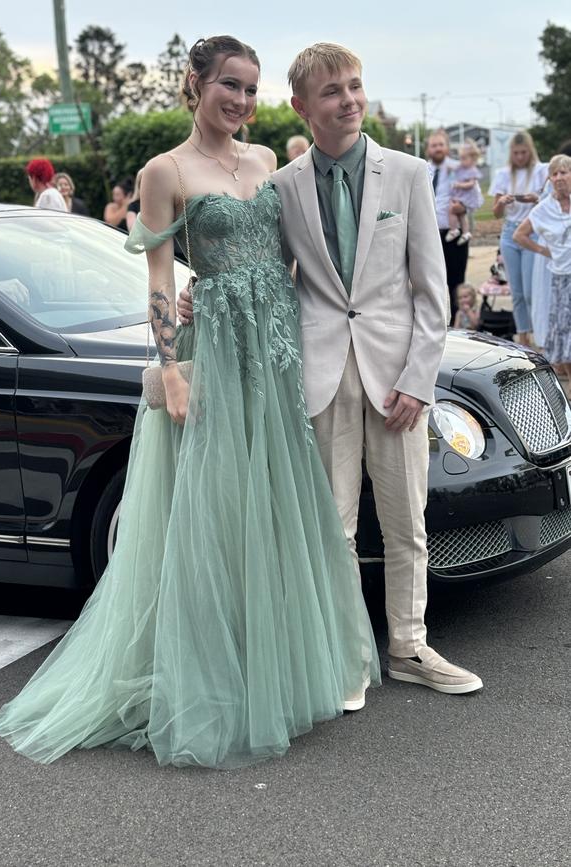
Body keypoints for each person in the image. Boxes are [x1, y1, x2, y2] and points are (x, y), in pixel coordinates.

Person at [0, 35, 380, 769]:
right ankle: (219, 679)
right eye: (228, 86)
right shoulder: (164, 169)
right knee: (214, 513)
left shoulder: (267, 161)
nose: (240, 101)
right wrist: (171, 368)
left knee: (274, 511)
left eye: (250, 89)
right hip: (216, 360)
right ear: (195, 85)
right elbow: (159, 281)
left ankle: (279, 668)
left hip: (274, 352)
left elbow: (292, 255)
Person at [181, 43, 482, 695]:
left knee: (408, 525)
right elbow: (265, 270)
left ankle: (409, 646)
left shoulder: (405, 175)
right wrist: (198, 291)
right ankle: (348, 660)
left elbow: (432, 291)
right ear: (301, 107)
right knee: (332, 530)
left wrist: (417, 377)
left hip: (397, 378)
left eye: (354, 87)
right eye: (331, 92)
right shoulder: (282, 186)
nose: (348, 100)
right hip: (317, 375)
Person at [513, 154, 571, 380]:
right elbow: (519, 235)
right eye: (554, 174)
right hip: (561, 277)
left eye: (564, 172)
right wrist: (543, 251)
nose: (559, 178)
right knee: (564, 332)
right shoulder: (544, 209)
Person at [489, 131, 548, 345]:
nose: (520, 157)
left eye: (524, 153)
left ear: (530, 151)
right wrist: (502, 202)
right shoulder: (503, 174)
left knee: (532, 290)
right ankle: (523, 335)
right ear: (511, 154)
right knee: (517, 291)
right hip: (510, 233)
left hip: (531, 231)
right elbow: (495, 213)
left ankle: (539, 333)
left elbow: (550, 201)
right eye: (516, 153)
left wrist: (536, 198)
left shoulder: (542, 171)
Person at [427, 129, 468, 323]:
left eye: (441, 145)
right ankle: (436, 322)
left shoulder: (458, 169)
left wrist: (464, 206)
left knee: (455, 281)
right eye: (434, 145)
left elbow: (474, 196)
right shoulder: (422, 170)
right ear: (428, 149)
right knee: (432, 281)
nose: (437, 149)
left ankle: (457, 324)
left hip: (454, 233)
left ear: (447, 148)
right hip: (430, 235)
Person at [445, 140, 484, 245]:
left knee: (452, 210)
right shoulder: (461, 167)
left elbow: (471, 184)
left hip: (467, 197)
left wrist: (459, 185)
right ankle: (465, 233)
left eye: (464, 158)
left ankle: (454, 230)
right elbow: (452, 166)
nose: (461, 161)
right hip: (460, 195)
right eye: (460, 158)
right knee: (461, 214)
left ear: (473, 159)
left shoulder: (472, 170)